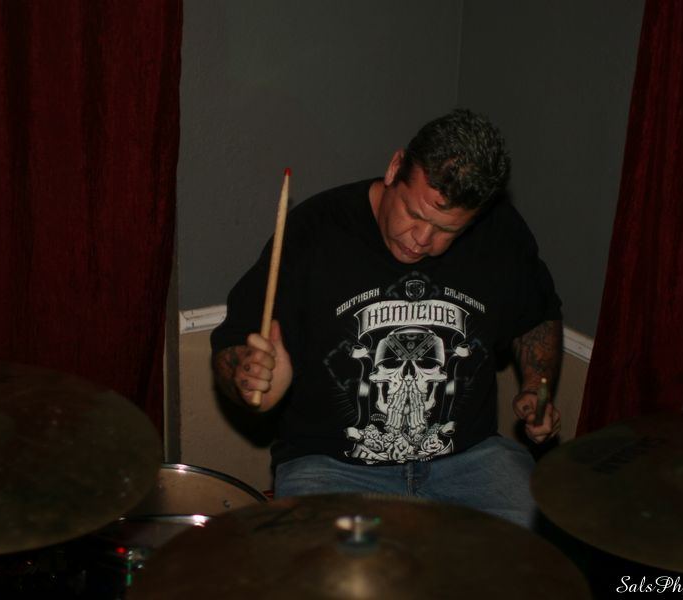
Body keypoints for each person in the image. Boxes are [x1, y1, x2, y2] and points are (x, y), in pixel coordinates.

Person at [210, 108, 562, 529]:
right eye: (415, 214)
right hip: (332, 467)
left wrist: (536, 386)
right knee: (322, 563)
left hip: (473, 460)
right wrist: (247, 378)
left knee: (539, 547)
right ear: (395, 168)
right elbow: (233, 345)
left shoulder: (500, 232)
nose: (423, 240)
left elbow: (536, 315)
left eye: (448, 230)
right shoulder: (313, 232)